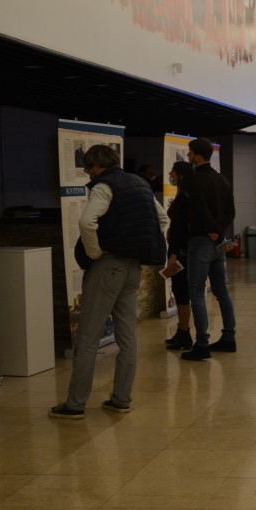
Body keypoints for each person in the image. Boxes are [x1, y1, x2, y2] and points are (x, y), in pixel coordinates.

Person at [49, 144, 168, 419]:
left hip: (108, 267)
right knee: (128, 337)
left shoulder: (104, 186)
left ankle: (75, 404)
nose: (89, 173)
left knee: (88, 339)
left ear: (96, 165)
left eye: (88, 168)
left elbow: (87, 222)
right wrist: (136, 244)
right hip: (132, 268)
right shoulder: (139, 183)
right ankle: (121, 398)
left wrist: (95, 253)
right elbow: (163, 219)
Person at [179, 137, 237, 361]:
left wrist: (212, 230)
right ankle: (229, 337)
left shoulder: (194, 180)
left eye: (189, 152)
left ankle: (202, 343)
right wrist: (219, 233)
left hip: (201, 240)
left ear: (197, 156)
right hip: (218, 242)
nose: (188, 156)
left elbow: (200, 210)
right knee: (221, 290)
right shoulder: (222, 179)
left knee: (196, 291)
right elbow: (231, 211)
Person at [163, 161, 194, 350]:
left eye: (173, 171)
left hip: (180, 251)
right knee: (180, 291)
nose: (170, 174)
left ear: (180, 175)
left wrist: (173, 255)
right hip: (184, 249)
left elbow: (179, 228)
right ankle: (182, 331)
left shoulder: (183, 197)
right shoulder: (188, 194)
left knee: (181, 291)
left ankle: (184, 333)